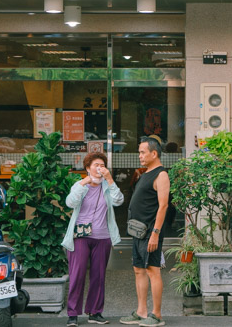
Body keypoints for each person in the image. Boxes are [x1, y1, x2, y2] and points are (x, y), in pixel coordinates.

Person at [62, 152, 124, 327]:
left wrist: (110, 179)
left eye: (102, 165)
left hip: (102, 237)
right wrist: (84, 183)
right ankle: (73, 314)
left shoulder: (107, 186)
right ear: (88, 168)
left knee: (98, 275)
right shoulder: (79, 185)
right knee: (77, 274)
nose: (99, 168)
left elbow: (119, 200)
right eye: (96, 165)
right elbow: (70, 203)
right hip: (80, 237)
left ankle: (95, 312)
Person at [120, 136, 170, 327]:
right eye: (139, 152)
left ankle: (156, 314)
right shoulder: (146, 172)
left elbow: (163, 206)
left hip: (150, 232)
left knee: (152, 270)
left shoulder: (161, 175)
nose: (139, 156)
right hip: (138, 232)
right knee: (138, 269)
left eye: (142, 152)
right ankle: (141, 311)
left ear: (154, 153)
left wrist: (155, 233)